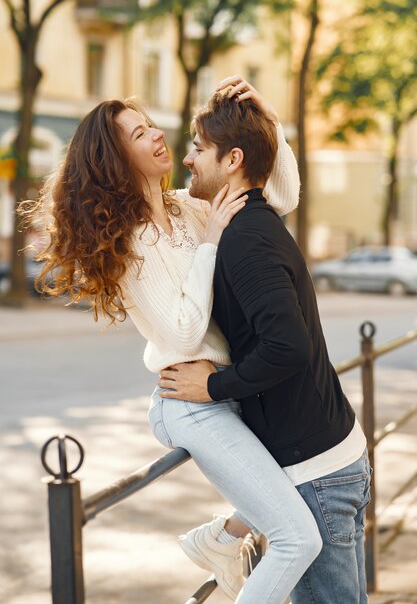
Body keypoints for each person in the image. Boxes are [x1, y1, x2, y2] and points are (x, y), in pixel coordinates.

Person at [24, 79, 322, 604]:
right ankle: (221, 541)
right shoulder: (131, 241)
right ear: (118, 159)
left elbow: (281, 195)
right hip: (190, 401)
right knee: (296, 537)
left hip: (228, 388)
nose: (159, 135)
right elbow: (183, 332)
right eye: (140, 133)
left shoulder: (188, 206)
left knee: (292, 492)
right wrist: (209, 246)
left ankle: (221, 539)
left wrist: (268, 117)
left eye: (150, 124)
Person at [159, 76, 372, 604]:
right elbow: (281, 186)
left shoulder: (246, 238)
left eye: (198, 149)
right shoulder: (253, 219)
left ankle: (221, 538)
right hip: (327, 459)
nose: (188, 160)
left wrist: (214, 386)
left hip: (316, 473)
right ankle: (222, 538)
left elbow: (288, 346)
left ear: (232, 160)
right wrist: (270, 123)